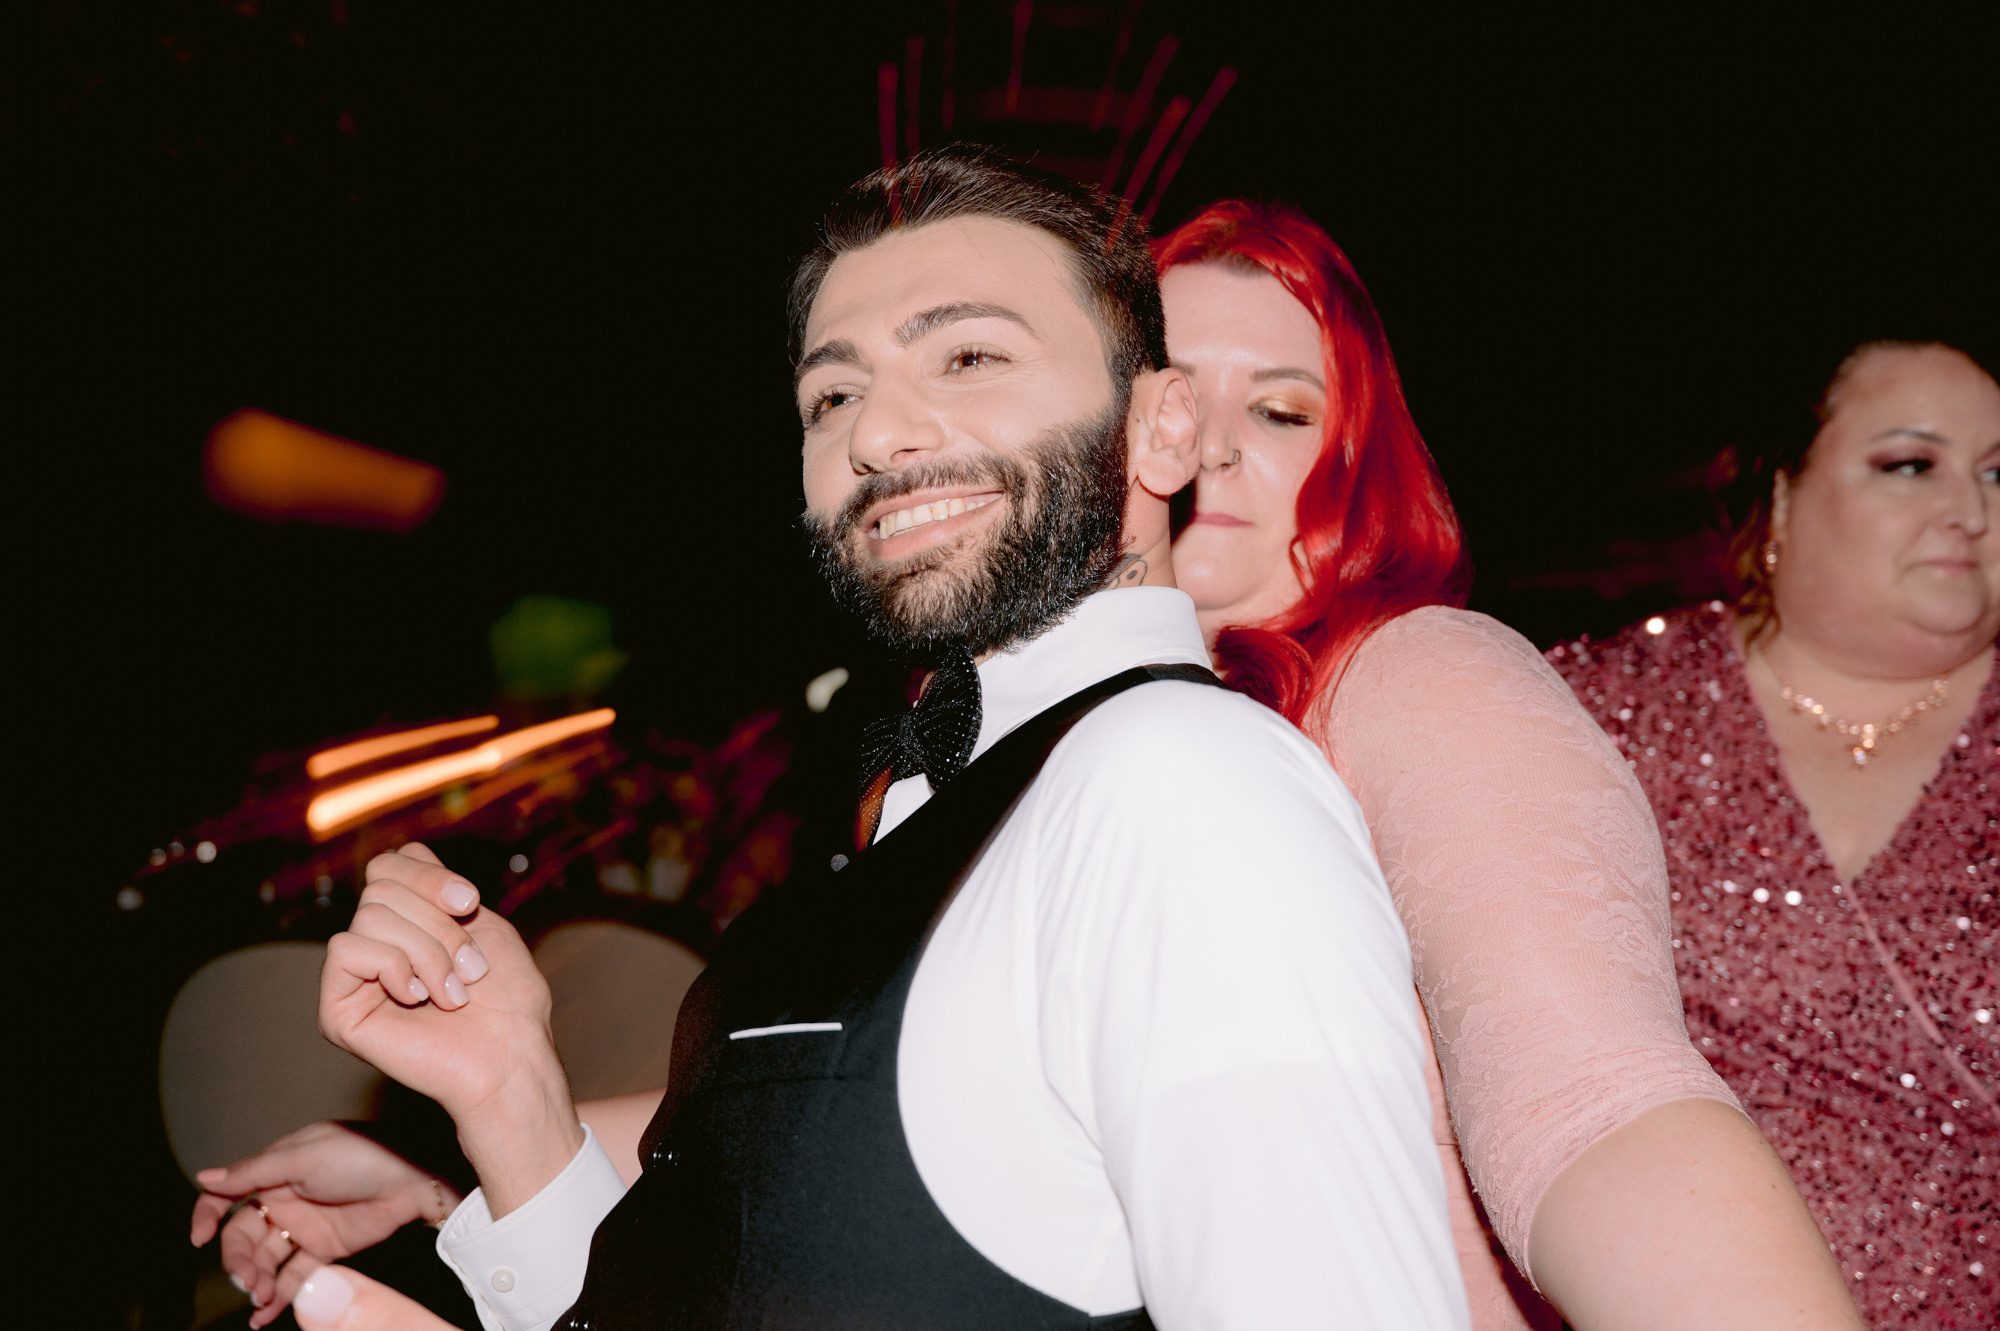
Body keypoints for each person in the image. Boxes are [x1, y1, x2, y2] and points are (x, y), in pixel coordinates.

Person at [196, 146, 1470, 1330]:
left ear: (1162, 426)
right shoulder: (915, 819)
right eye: (832, 392)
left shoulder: (1180, 787)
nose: (874, 434)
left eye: (968, 356)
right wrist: (506, 1088)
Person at [1152, 198, 1867, 1330]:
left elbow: (1594, 1104)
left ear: (1353, 465)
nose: (1215, 445)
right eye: (1174, 397)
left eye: (1282, 410)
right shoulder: (1022, 745)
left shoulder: (1417, 677)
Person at [1549, 339, 1998, 1328]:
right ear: (1780, 495)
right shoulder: (1590, 712)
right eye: (1910, 464)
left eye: (1996, 473)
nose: (1969, 511)